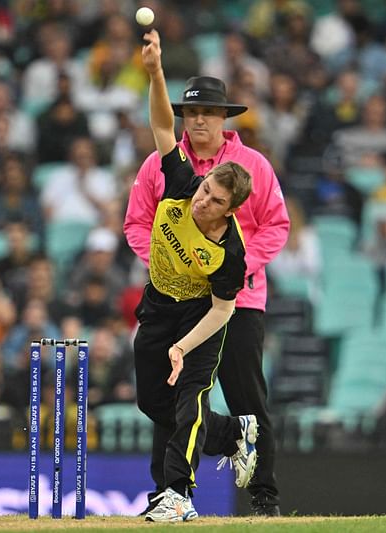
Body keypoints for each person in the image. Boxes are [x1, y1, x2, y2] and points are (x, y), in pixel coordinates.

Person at [125, 49, 290, 522]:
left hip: (234, 297)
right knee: (168, 396)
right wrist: (169, 267)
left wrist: (234, 271)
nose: (197, 120)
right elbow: (138, 224)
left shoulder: (252, 166)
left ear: (223, 116)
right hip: (174, 299)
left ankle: (264, 498)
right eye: (191, 112)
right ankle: (168, 492)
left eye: (207, 112)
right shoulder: (170, 167)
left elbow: (276, 226)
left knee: (246, 397)